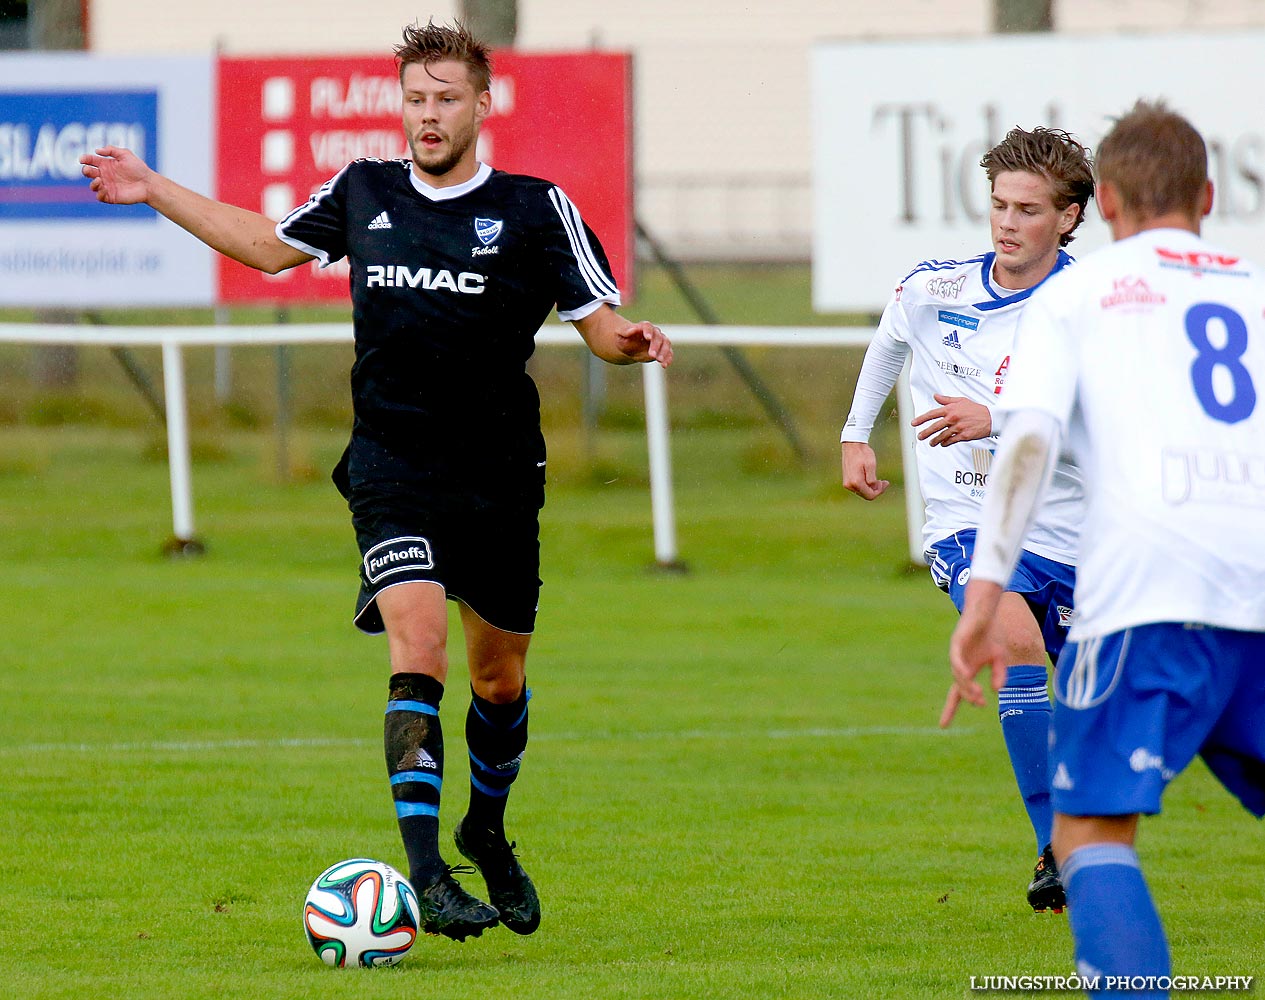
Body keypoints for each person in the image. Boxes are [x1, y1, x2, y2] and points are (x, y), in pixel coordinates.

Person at [81, 20, 672, 943]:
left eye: (445, 98)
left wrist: (628, 345)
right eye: (415, 98)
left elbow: (596, 320)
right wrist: (152, 187)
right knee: (419, 639)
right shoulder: (364, 190)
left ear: (482, 103)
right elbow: (267, 245)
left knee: (499, 676)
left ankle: (487, 826)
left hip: (501, 475)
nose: (427, 116)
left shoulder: (535, 206)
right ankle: (428, 870)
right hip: (392, 465)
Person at [948, 101, 1265, 996]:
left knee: (1089, 832)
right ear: (1208, 194)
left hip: (1148, 593)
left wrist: (981, 599)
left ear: (1109, 204)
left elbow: (1028, 442)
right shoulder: (1256, 285)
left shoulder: (1076, 293)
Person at [840, 126, 1094, 912]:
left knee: (1091, 696)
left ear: (1069, 217)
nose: (1007, 223)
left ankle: (1086, 835)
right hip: (967, 520)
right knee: (1011, 642)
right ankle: (1055, 850)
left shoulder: (1090, 306)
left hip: (1072, 527)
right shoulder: (932, 287)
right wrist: (855, 436)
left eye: (1027, 209)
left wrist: (1002, 416)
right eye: (998, 206)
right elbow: (888, 343)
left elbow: (1103, 419)